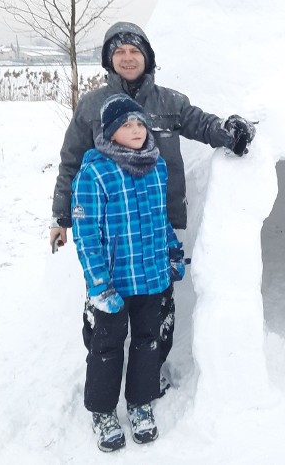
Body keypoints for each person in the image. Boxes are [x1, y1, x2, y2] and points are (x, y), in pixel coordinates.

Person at [49, 21, 256, 393]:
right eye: (120, 52)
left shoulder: (169, 101)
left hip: (160, 220)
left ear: (147, 57)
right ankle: (103, 365)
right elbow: (71, 161)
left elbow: (200, 124)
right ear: (109, 59)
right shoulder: (92, 106)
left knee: (158, 306)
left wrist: (230, 133)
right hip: (111, 230)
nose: (128, 58)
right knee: (103, 304)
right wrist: (62, 216)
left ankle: (151, 367)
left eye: (135, 51)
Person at [72, 94, 187, 451]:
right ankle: (103, 410)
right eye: (126, 125)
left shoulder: (157, 166)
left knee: (147, 341)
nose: (136, 130)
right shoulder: (94, 173)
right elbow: (86, 235)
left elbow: (161, 218)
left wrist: (172, 252)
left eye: (139, 123)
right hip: (114, 284)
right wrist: (98, 285)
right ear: (109, 132)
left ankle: (140, 402)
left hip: (151, 277)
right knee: (106, 347)